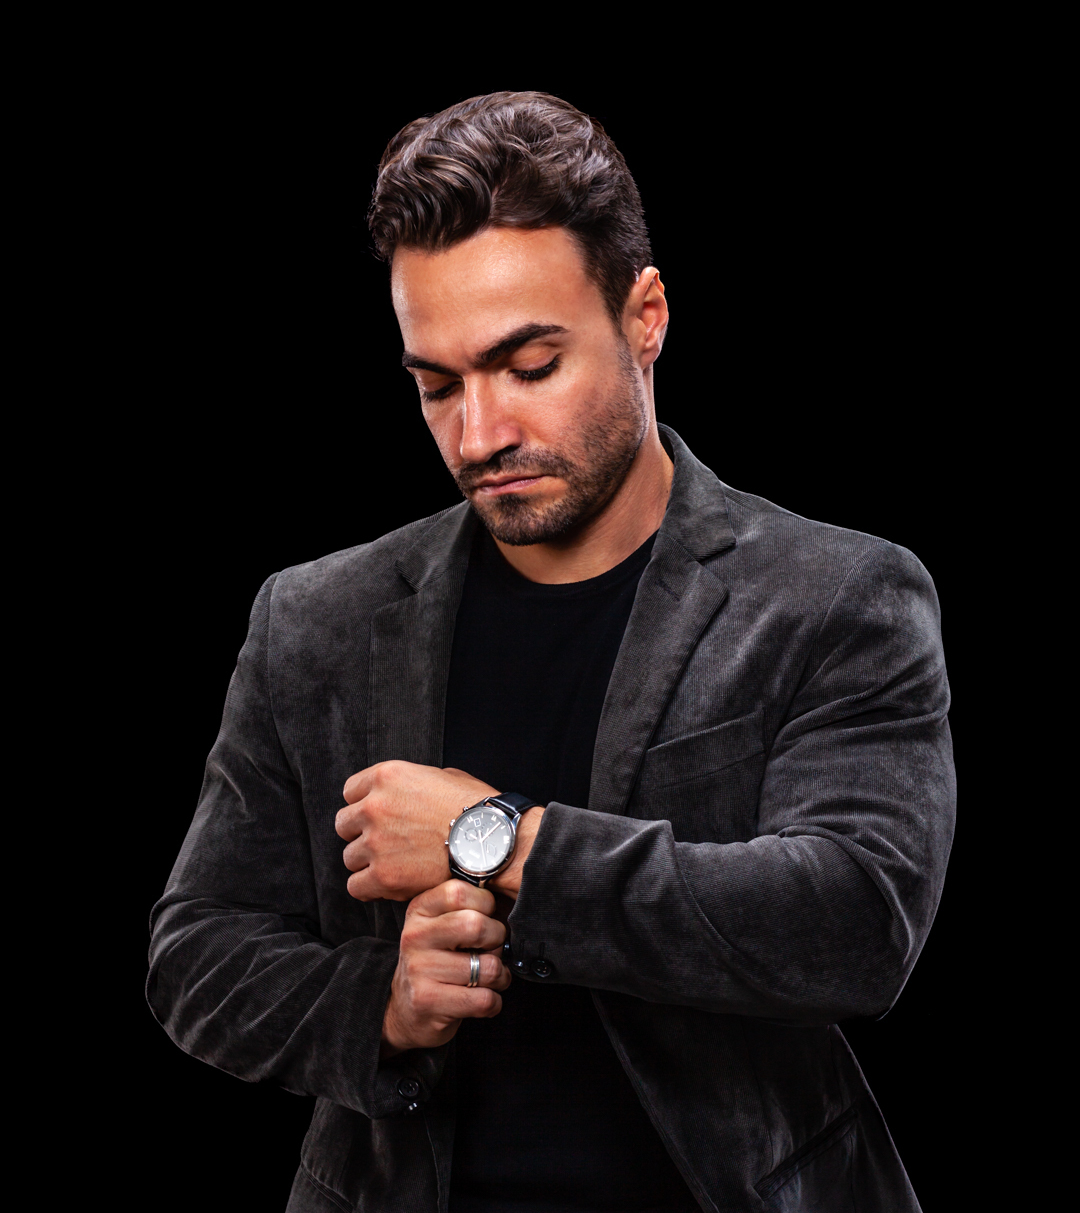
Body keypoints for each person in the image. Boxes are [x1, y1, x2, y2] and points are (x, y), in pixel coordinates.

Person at [148, 91, 954, 1213]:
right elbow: (196, 954)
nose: (480, 435)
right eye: (437, 386)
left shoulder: (835, 596)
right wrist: (384, 1007)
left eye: (528, 365)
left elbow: (857, 924)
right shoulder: (315, 620)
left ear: (645, 317)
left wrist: (496, 840)